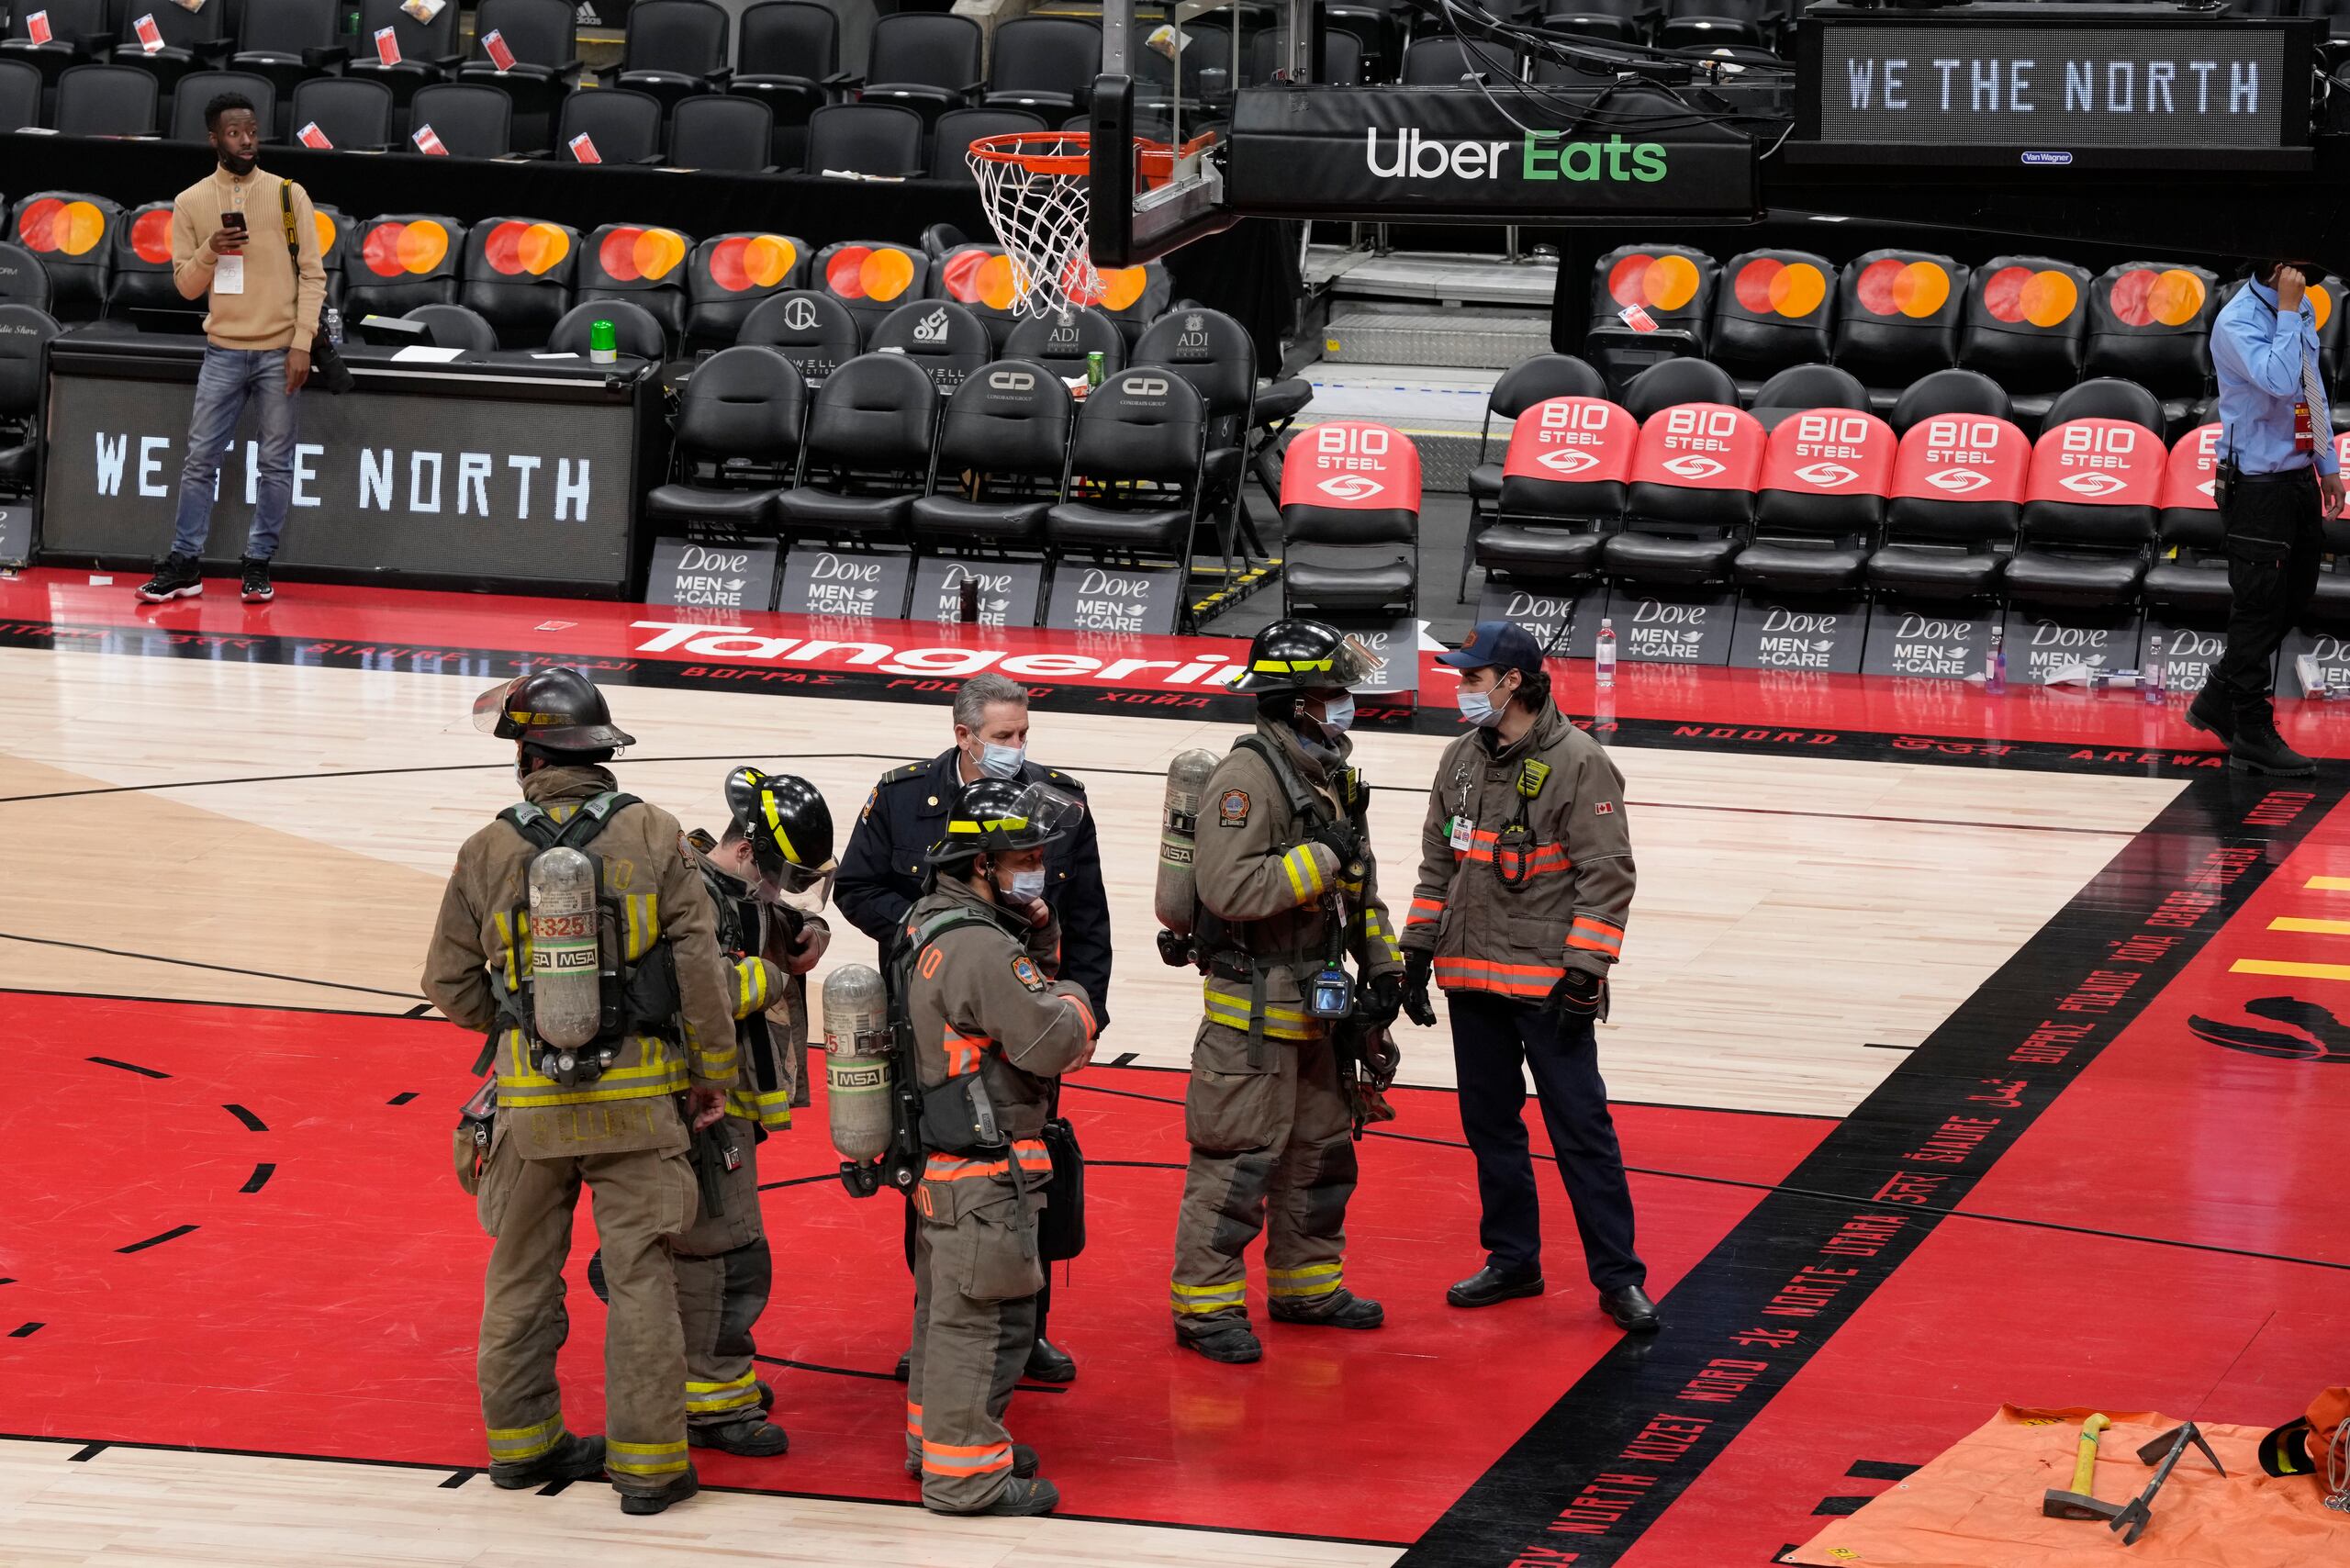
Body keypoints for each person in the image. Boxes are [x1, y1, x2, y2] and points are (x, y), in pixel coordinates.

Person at [421, 666, 739, 1517]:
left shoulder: (486, 850)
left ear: (525, 755)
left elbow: (448, 983)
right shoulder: (655, 833)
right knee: (642, 1278)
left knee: (519, 1273)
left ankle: (522, 1451)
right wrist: (712, 1075)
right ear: (602, 751)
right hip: (640, 1106)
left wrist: (518, 1028)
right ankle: (646, 1469)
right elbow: (700, 973)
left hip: (529, 1110)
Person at [836, 671, 1108, 1383]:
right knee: (932, 1169)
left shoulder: (1059, 802)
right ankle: (940, 1323)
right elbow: (857, 888)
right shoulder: (903, 799)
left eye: (1023, 735)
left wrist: (1091, 1014)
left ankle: (1028, 1330)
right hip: (933, 1022)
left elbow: (1089, 923)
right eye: (1002, 737)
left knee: (1033, 1171)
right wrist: (940, 940)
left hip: (1027, 1022)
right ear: (963, 735)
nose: (1016, 749)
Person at [1396, 622, 1658, 1334]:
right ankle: (1515, 1260)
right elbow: (1437, 866)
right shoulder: (1458, 760)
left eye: (1472, 679)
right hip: (1471, 982)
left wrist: (1586, 973)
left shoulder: (1580, 762)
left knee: (1581, 1131)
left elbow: (1608, 879)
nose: (1460, 691)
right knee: (1490, 1127)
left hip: (1548, 988)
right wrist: (1415, 953)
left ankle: (1619, 1278)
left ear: (1512, 682)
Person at [1169, 619, 1404, 1365]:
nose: (1345, 705)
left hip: (1318, 1013)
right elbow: (1230, 888)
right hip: (1251, 1021)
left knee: (1322, 1155)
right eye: (1334, 693)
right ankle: (1205, 1309)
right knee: (1239, 1165)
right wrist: (1318, 857)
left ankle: (1307, 1286)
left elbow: (1359, 886)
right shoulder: (1246, 780)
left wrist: (1386, 965)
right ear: (1296, 699)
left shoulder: (1326, 772)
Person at [900, 776, 1099, 1517]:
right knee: (985, 1322)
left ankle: (940, 1446)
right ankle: (965, 1477)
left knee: (946, 1310)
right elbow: (1050, 1040)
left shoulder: (928, 922)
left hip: (943, 1163)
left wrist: (1035, 931)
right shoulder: (982, 949)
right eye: (1022, 855)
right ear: (981, 863)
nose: (1036, 863)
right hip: (984, 1171)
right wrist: (1076, 997)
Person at [659, 767, 835, 1457]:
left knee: (721, 1244)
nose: (786, 891)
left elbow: (771, 917)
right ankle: (712, 1401)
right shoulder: (695, 897)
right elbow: (708, 983)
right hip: (700, 1105)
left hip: (725, 1104)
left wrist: (810, 927)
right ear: (746, 850)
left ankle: (708, 1376)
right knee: (723, 1252)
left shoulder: (728, 886)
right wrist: (773, 974)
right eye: (786, 876)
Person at [136, 92, 326, 609]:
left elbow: (313, 276)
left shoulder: (290, 196)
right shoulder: (191, 202)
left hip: (278, 350)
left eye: (252, 131)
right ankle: (185, 564)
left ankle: (258, 563)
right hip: (221, 351)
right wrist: (209, 251)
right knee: (200, 460)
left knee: (276, 464)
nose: (247, 140)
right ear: (214, 139)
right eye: (235, 132)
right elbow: (185, 286)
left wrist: (301, 343)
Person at [2192, 258, 2348, 777]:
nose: (2311, 281)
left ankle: (2219, 696)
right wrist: (2286, 310)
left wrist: (2326, 462)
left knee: (2296, 594)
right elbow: (2279, 382)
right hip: (2255, 487)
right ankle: (2250, 729)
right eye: (2303, 271)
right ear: (2281, 269)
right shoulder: (2238, 322)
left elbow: (2310, 385)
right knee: (2257, 609)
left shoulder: (2298, 306)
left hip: (2298, 476)